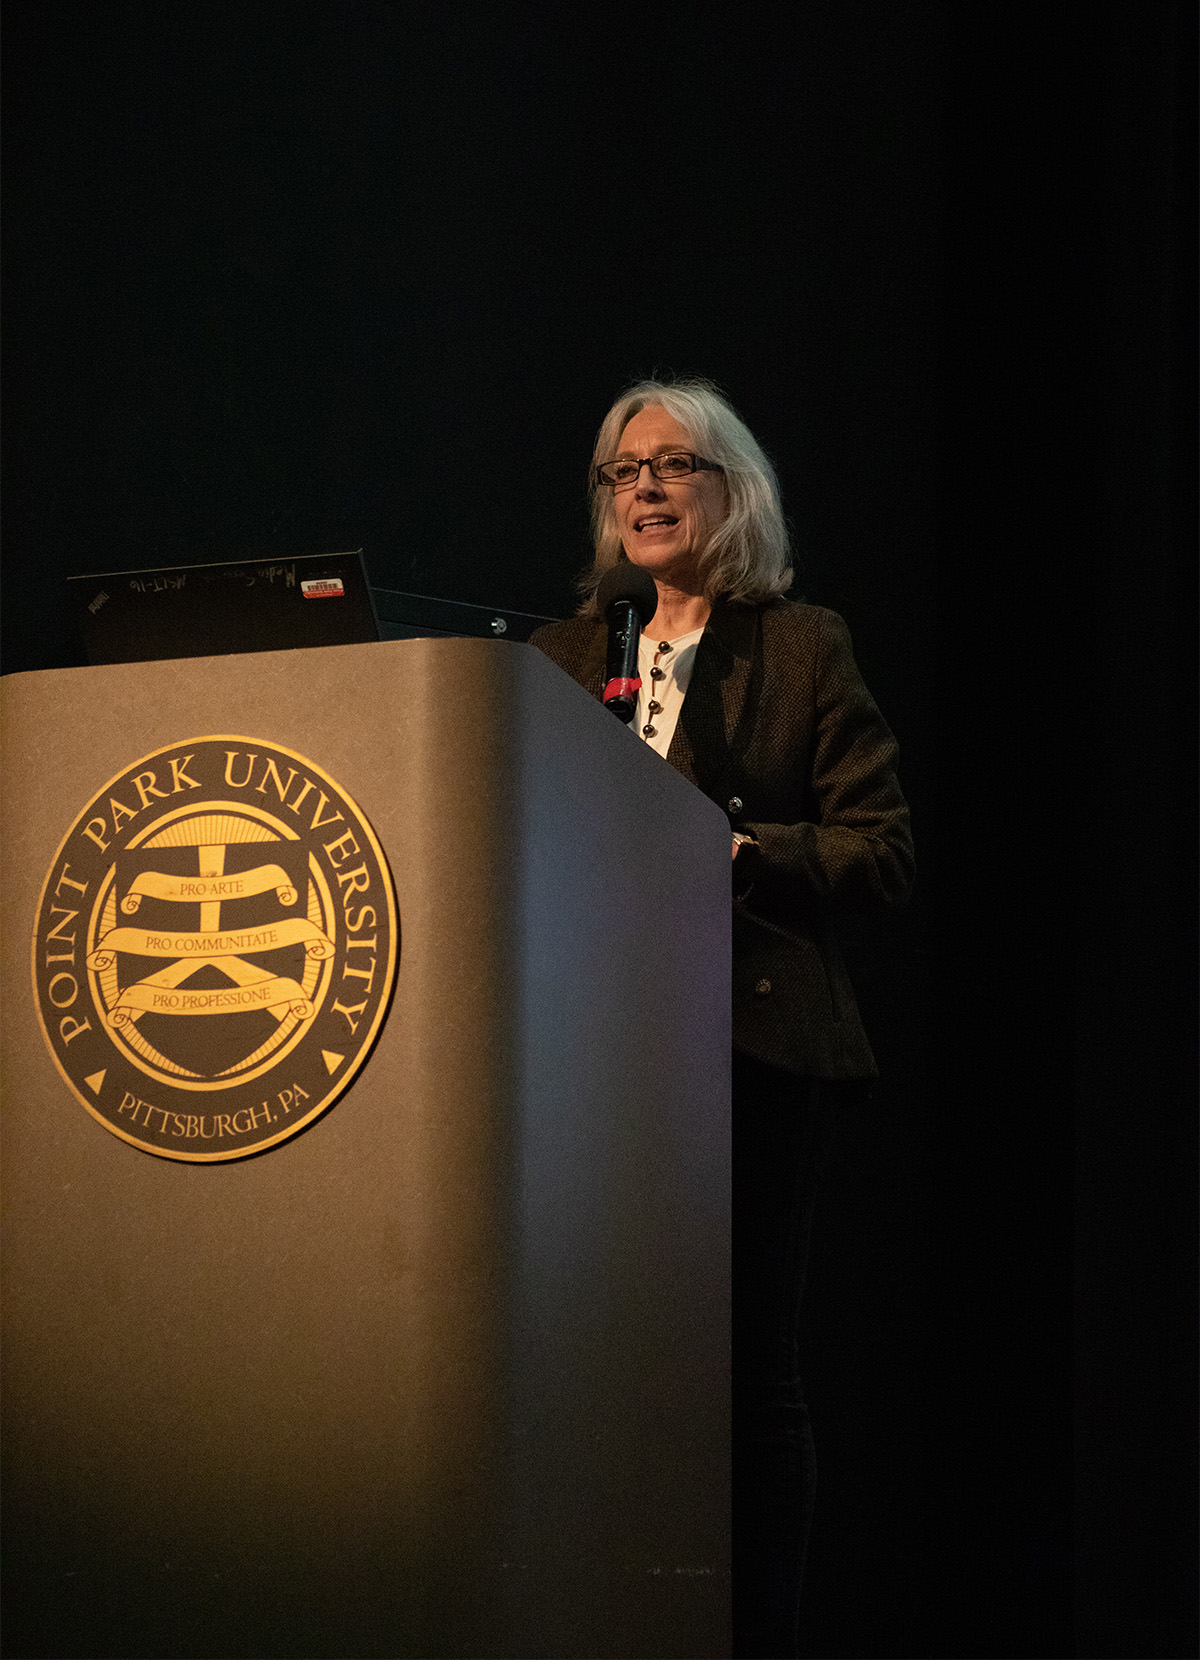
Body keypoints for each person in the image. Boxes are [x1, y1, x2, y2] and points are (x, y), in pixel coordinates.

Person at [530, 377, 914, 1659]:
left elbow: (883, 850)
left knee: (749, 1380)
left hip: (749, 1042)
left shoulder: (803, 646)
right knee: (600, 1376)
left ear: (728, 489)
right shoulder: (557, 659)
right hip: (587, 1063)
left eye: (671, 465)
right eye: (619, 472)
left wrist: (749, 848)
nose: (641, 487)